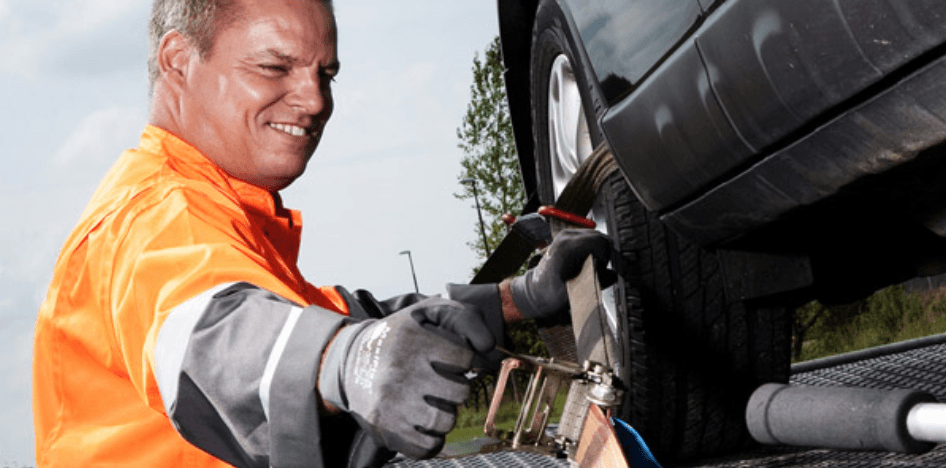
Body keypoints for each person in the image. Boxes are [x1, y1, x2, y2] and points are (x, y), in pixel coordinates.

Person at [31, 0, 612, 466]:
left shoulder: (224, 214)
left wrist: (517, 298)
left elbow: (340, 319)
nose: (314, 101)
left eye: (324, 74)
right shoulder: (152, 214)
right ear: (179, 60)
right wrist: (349, 360)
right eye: (274, 67)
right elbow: (209, 333)